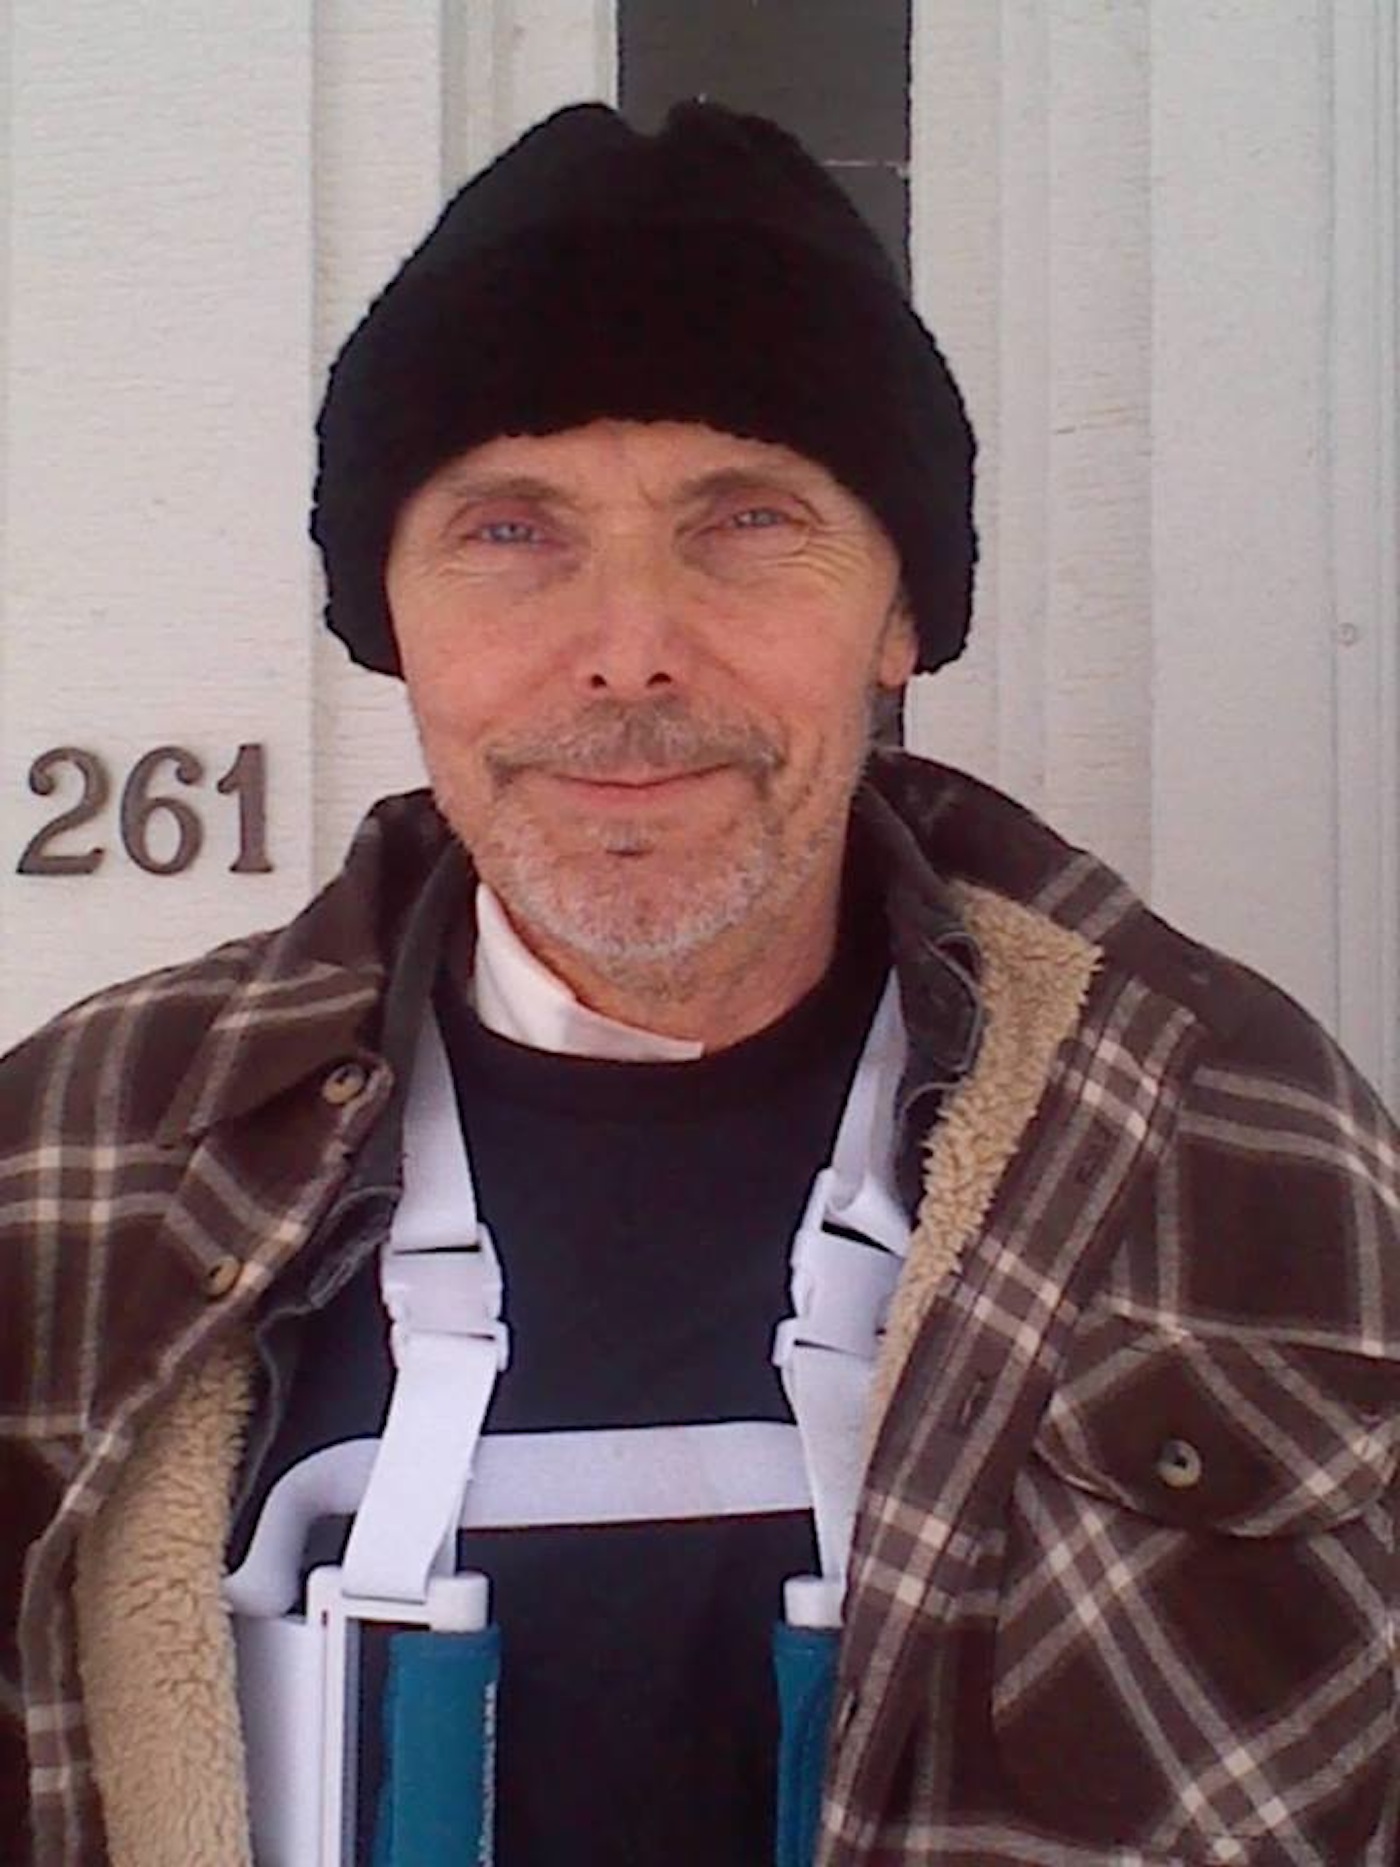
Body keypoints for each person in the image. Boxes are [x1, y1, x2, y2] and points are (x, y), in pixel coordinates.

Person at [2, 99, 1397, 1867]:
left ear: (900, 615)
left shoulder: (1236, 1132)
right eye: (511, 531)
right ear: (391, 619)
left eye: (745, 519)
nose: (630, 649)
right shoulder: (71, 1162)